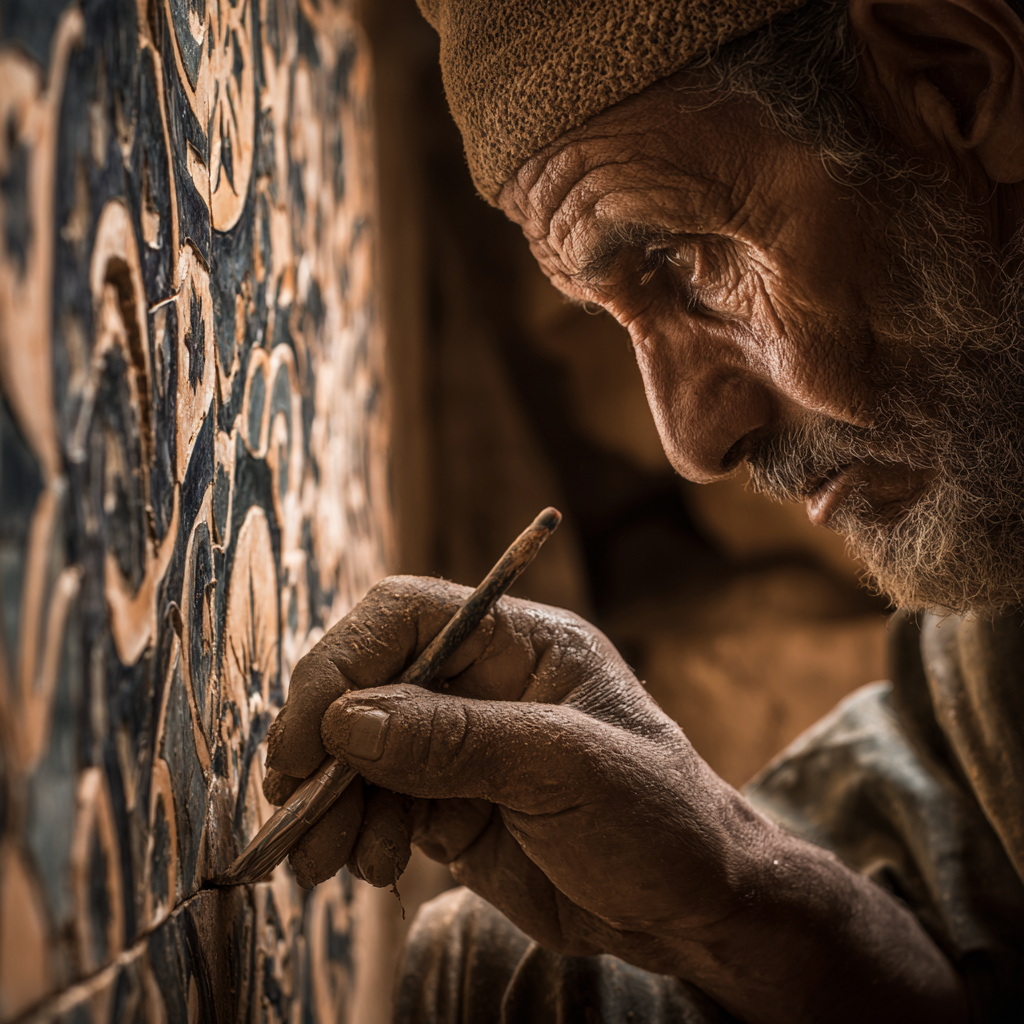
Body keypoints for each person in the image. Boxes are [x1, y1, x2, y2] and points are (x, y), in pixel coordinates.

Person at [263, 0, 1024, 1020]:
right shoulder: (992, 663)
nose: (692, 443)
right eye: (612, 317)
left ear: (956, 80)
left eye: (683, 264)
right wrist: (740, 898)